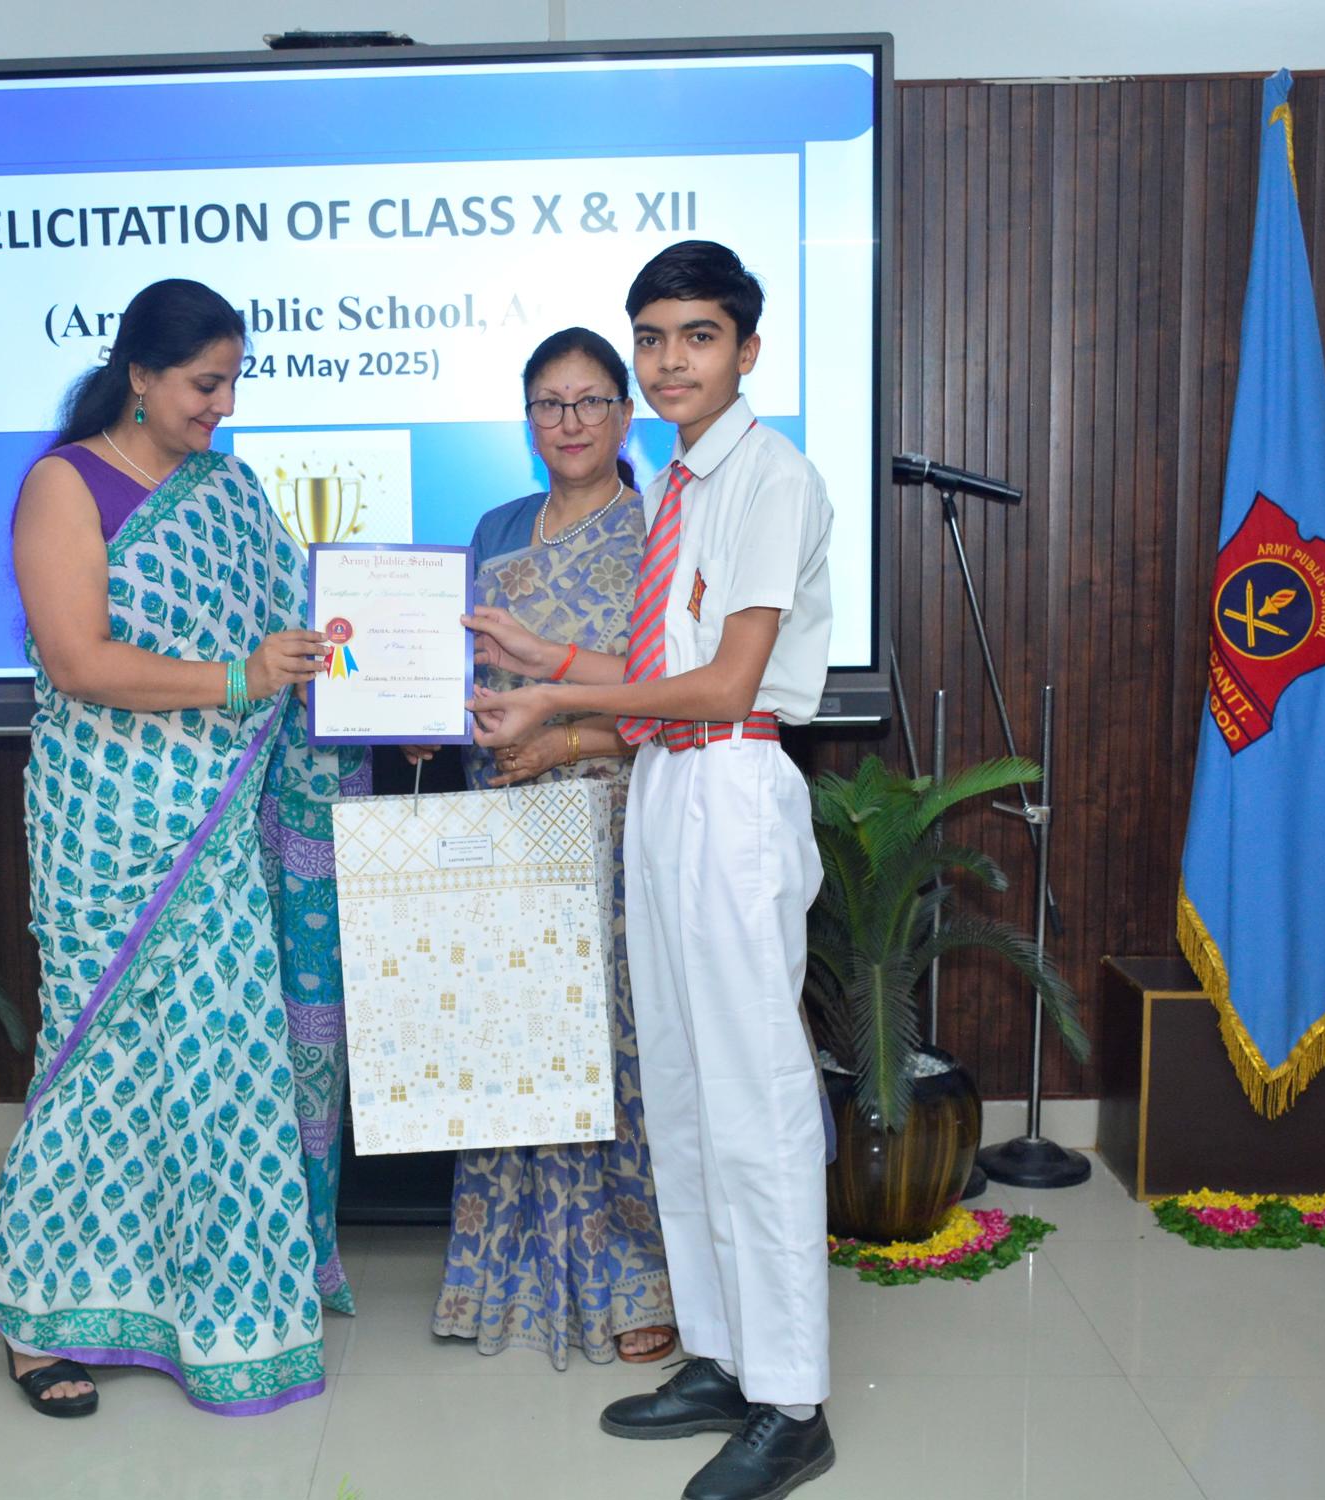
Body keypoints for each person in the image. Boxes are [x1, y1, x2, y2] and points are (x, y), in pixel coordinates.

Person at [467, 243, 837, 1500]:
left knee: (754, 1098)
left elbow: (725, 683)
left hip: (732, 780)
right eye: (654, 338)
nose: (671, 360)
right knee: (678, 1090)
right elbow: (659, 663)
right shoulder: (678, 479)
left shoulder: (770, 478)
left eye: (698, 336)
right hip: (666, 787)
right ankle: (723, 1358)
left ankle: (793, 1401)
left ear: (747, 349)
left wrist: (555, 698)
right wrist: (543, 654)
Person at [0, 278, 367, 1419]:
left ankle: (219, 1309)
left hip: (221, 830)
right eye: (204, 383)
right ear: (139, 374)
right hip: (108, 826)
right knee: (97, 1066)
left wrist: (371, 688)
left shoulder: (229, 491)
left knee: (221, 1064)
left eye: (233, 384)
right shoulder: (65, 484)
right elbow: (79, 661)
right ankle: (39, 1323)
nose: (222, 407)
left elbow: (295, 644)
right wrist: (237, 680)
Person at [412, 327, 678, 1370]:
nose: (569, 423)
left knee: (616, 1058)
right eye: (548, 405)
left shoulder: (658, 532)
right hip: (505, 827)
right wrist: (422, 716)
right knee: (511, 1048)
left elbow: (678, 698)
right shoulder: (496, 528)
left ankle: (635, 1279)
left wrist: (563, 740)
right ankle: (501, 1268)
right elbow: (467, 675)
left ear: (624, 414)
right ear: (527, 421)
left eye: (590, 401)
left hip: (613, 823)